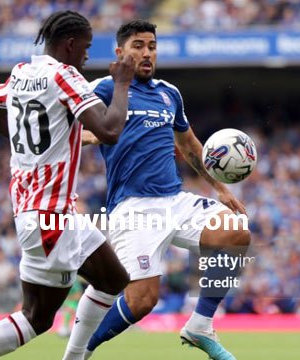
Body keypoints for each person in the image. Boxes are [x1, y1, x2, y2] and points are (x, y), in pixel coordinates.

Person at [0, 10, 135, 360]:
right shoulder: (65, 76)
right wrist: (122, 83)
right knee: (35, 318)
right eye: (86, 48)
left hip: (54, 213)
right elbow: (109, 130)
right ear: (70, 44)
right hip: (49, 219)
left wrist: (35, 145)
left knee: (112, 279)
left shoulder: (20, 74)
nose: (88, 56)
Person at [68, 20, 251, 360]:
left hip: (174, 199)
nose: (147, 52)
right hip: (133, 207)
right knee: (142, 301)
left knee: (235, 231)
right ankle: (80, 353)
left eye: (151, 46)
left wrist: (221, 189)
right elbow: (70, 126)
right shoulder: (105, 88)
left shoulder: (170, 93)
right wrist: (92, 135)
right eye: (138, 45)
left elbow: (191, 145)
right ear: (120, 52)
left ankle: (199, 326)